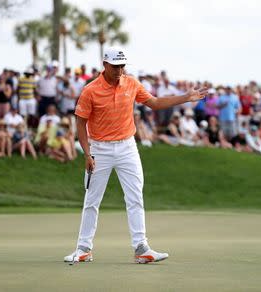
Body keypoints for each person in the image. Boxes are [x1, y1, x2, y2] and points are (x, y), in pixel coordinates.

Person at [65, 46, 208, 264]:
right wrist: (87, 154)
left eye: (122, 66)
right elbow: (80, 122)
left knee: (135, 197)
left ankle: (141, 248)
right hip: (99, 149)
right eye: (115, 66)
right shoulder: (90, 90)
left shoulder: (131, 83)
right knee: (92, 200)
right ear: (105, 65)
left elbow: (155, 103)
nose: (119, 70)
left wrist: (185, 97)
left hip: (127, 147)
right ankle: (84, 248)